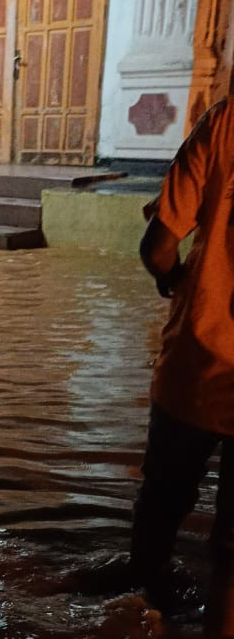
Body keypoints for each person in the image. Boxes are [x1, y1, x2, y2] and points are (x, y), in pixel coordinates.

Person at [133, 95, 234, 637]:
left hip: (199, 357)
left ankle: (140, 610)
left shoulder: (225, 122)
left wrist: (170, 279)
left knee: (162, 502)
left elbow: (159, 245)